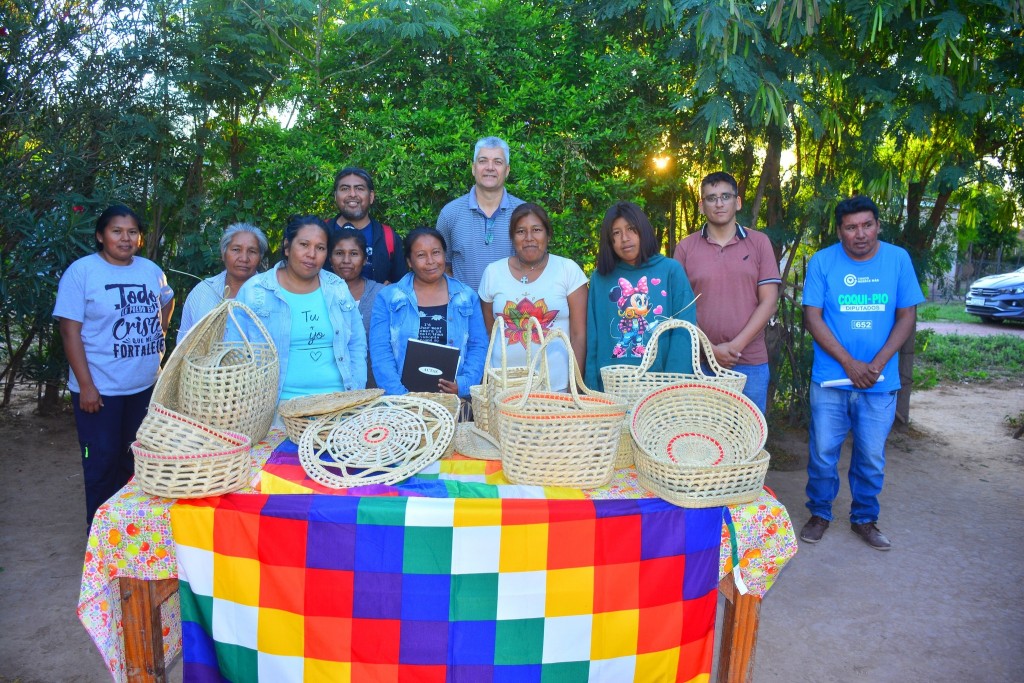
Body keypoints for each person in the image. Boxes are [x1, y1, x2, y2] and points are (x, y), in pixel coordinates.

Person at [799, 195, 924, 551]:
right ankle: (820, 513)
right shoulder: (823, 261)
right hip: (830, 379)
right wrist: (849, 363)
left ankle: (864, 519)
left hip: (879, 381)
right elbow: (812, 317)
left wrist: (877, 363)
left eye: (867, 225)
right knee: (823, 452)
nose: (861, 234)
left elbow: (907, 317)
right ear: (839, 231)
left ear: (878, 226)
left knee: (871, 456)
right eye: (851, 227)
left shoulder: (898, 260)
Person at [53, 204, 175, 526]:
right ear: (100, 235)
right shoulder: (82, 272)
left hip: (144, 388)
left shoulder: (150, 270)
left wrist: (160, 333)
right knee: (101, 464)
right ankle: (99, 537)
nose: (125, 238)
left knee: (136, 463)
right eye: (116, 231)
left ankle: (130, 534)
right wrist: (86, 386)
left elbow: (167, 299)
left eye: (132, 232)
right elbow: (69, 332)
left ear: (140, 238)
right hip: (100, 391)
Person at [673, 172, 781, 414]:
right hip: (698, 364)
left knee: (749, 434)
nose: (719, 204)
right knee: (699, 434)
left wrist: (734, 347)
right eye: (711, 198)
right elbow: (680, 308)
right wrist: (711, 349)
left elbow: (769, 302)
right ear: (701, 206)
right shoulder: (685, 248)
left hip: (750, 363)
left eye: (725, 196)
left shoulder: (759, 243)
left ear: (738, 202)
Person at [234, 215, 366, 403]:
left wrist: (355, 395)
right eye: (304, 245)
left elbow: (357, 343)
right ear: (287, 247)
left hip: (338, 405)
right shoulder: (255, 291)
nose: (312, 254)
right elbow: (235, 351)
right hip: (277, 407)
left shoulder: (337, 288)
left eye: (320, 248)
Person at [585, 201, 697, 391]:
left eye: (631, 229)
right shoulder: (600, 278)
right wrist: (591, 387)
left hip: (660, 386)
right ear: (609, 240)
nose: (625, 238)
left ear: (643, 230)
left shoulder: (671, 271)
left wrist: (674, 387)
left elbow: (684, 332)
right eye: (616, 233)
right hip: (611, 387)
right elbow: (593, 335)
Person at [478, 202, 588, 391]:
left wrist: (574, 388)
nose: (529, 238)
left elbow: (579, 335)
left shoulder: (568, 270)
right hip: (503, 388)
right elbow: (490, 332)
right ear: (512, 238)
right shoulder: (493, 273)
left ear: (548, 235)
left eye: (536, 230)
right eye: (521, 231)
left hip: (557, 388)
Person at [369, 227, 487, 398]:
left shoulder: (466, 297)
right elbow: (380, 352)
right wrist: (402, 397)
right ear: (409, 262)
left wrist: (462, 385)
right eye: (421, 255)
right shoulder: (388, 298)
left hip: (453, 399)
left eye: (436, 252)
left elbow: (478, 345)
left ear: (444, 255)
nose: (431, 261)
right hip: (403, 401)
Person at [435, 136, 524, 291]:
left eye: (498, 162)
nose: (490, 167)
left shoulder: (524, 213)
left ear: (507, 170)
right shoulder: (450, 214)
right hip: (464, 306)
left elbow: (535, 266)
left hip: (513, 305)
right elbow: (442, 266)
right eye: (483, 161)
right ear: (473, 168)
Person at [177, 222, 268, 343]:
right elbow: (184, 344)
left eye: (252, 251)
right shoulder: (202, 292)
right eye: (236, 250)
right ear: (223, 254)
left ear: (260, 257)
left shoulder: (271, 295)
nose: (244, 258)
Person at [326, 166, 406, 284]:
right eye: (345, 188)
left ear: (371, 196)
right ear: (335, 196)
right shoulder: (321, 233)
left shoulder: (388, 237)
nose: (352, 194)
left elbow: (402, 285)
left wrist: (390, 290)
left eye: (359, 188)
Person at [330, 227, 384, 387]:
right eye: (339, 253)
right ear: (330, 258)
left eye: (354, 254)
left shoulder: (381, 294)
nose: (346, 260)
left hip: (375, 388)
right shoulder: (319, 295)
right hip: (331, 388)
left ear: (365, 259)